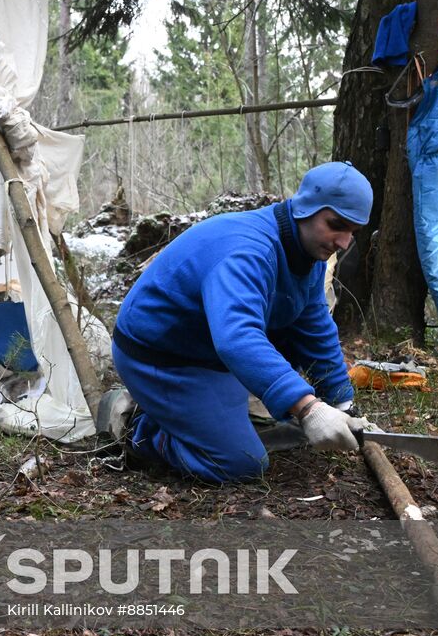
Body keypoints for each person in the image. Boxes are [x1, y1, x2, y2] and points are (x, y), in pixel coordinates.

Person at [111, 162, 372, 483]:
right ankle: (140, 430)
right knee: (241, 462)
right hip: (160, 358)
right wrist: (307, 408)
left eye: (352, 232)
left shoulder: (306, 251)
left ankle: (191, 415)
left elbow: (313, 326)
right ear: (305, 208)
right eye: (336, 225)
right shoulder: (248, 251)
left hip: (208, 352)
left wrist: (342, 404)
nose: (343, 242)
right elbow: (238, 338)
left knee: (271, 432)